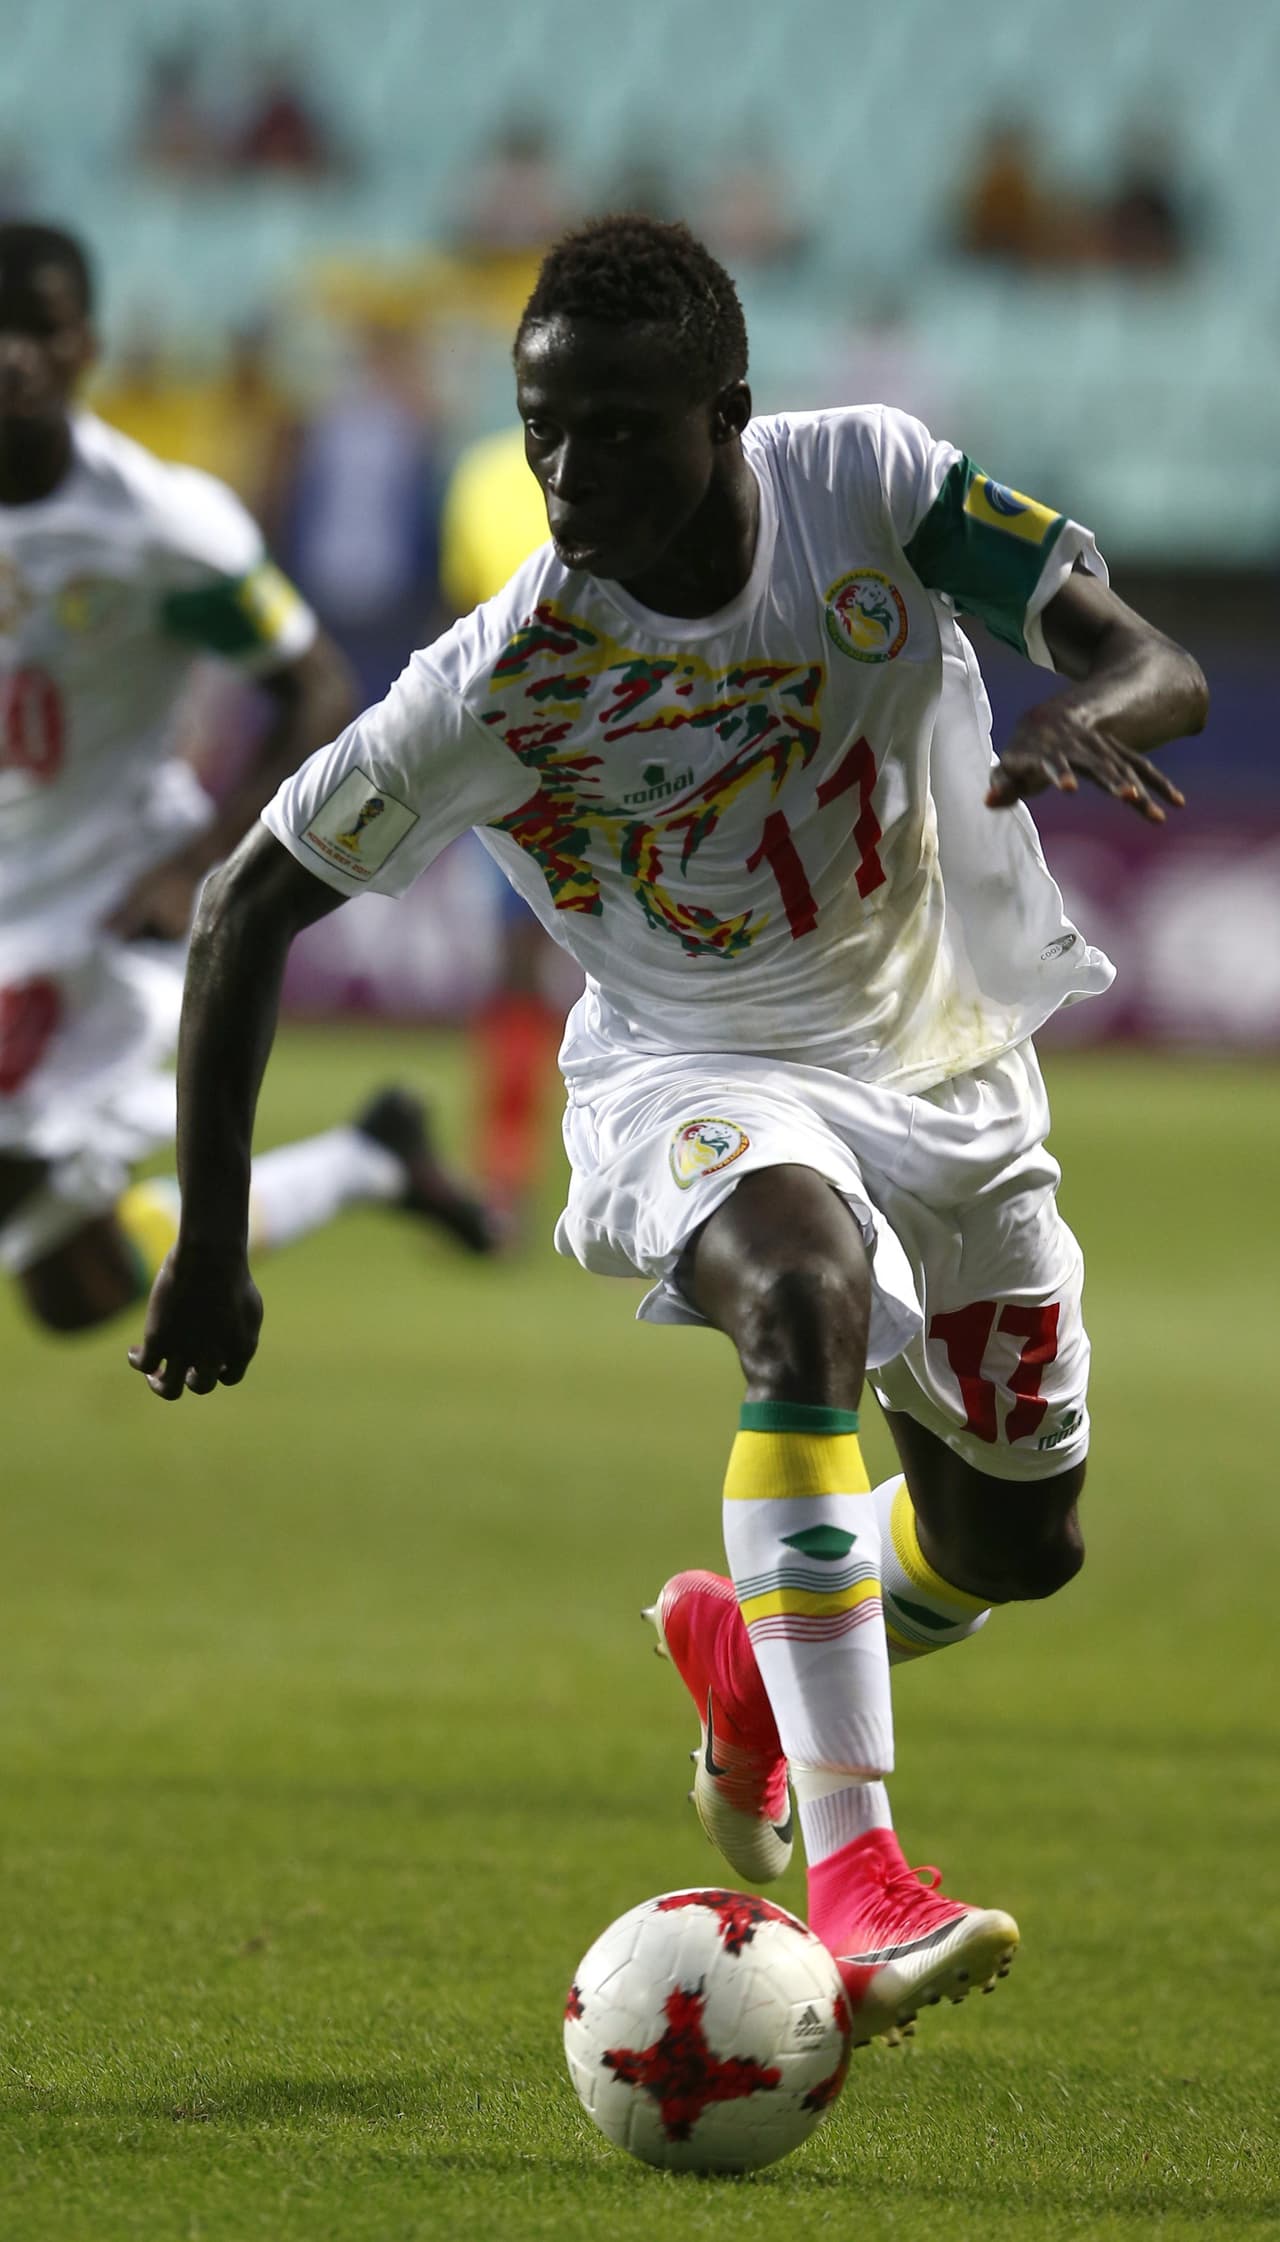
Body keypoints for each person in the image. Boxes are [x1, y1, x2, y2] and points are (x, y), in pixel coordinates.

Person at [130, 217, 1207, 2045]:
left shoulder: (871, 484)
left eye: (618, 431)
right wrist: (221, 1246)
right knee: (801, 1289)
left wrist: (1097, 710)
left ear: (730, 414)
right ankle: (861, 1881)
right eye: (545, 430)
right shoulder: (502, 677)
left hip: (942, 1059)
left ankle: (746, 1656)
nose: (568, 473)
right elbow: (245, 909)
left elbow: (1145, 658)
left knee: (1018, 1546)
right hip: (689, 1066)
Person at [0, 221, 492, 1337]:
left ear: (86, 348)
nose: (10, 356)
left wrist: (197, 860)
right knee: (75, 1289)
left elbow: (315, 691)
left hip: (100, 906)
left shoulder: (157, 530)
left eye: (36, 329)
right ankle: (367, 1159)